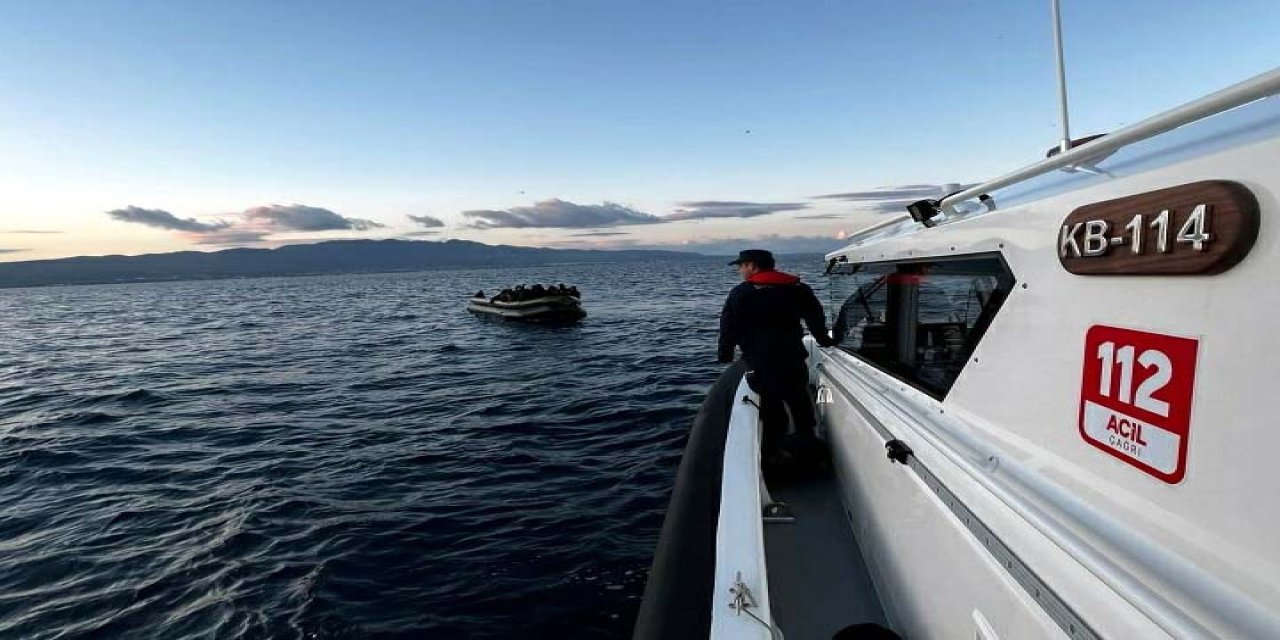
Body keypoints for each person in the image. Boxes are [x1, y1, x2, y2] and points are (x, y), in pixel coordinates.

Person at [718, 249, 835, 458]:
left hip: (761, 360)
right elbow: (815, 317)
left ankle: (776, 447)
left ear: (752, 266)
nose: (740, 270)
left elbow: (729, 326)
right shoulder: (799, 289)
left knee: (771, 402)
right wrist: (823, 340)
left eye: (742, 266)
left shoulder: (741, 293)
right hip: (793, 356)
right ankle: (807, 438)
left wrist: (725, 354)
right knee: (798, 396)